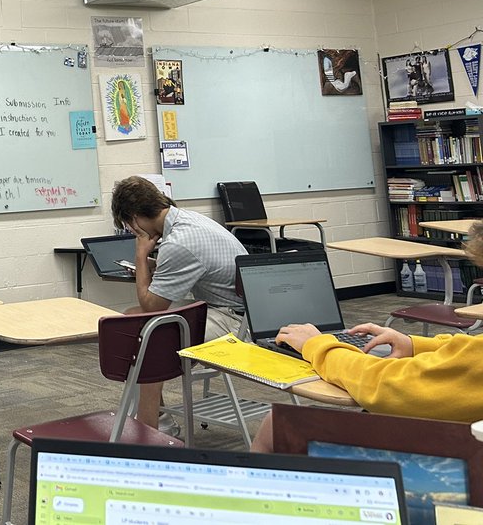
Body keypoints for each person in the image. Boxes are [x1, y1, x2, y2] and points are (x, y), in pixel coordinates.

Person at [251, 222, 483, 452]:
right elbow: (468, 353)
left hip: (463, 455)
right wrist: (415, 345)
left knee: (276, 426)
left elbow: (387, 386)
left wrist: (317, 345)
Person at [109, 175, 248, 430]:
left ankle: (149, 430)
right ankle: (160, 419)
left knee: (150, 335)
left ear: (135, 219)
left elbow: (152, 307)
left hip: (237, 323)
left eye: (128, 227)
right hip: (228, 307)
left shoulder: (178, 243)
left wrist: (141, 257)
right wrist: (155, 267)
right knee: (130, 319)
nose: (131, 232)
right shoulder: (186, 220)